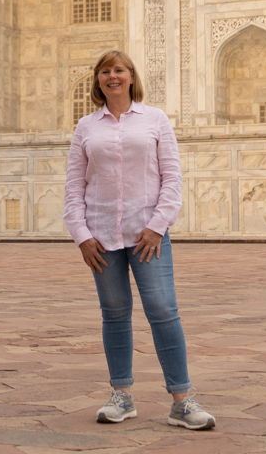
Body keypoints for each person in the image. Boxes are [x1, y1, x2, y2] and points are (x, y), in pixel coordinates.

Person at [64, 49, 214, 430]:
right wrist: (81, 235)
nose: (111, 76)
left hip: (148, 234)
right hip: (101, 236)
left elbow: (172, 178)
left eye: (118, 70)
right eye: (104, 72)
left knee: (163, 311)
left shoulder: (155, 119)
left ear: (131, 76)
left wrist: (158, 225)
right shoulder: (86, 126)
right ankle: (121, 396)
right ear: (97, 80)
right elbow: (73, 186)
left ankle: (182, 400)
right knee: (114, 315)